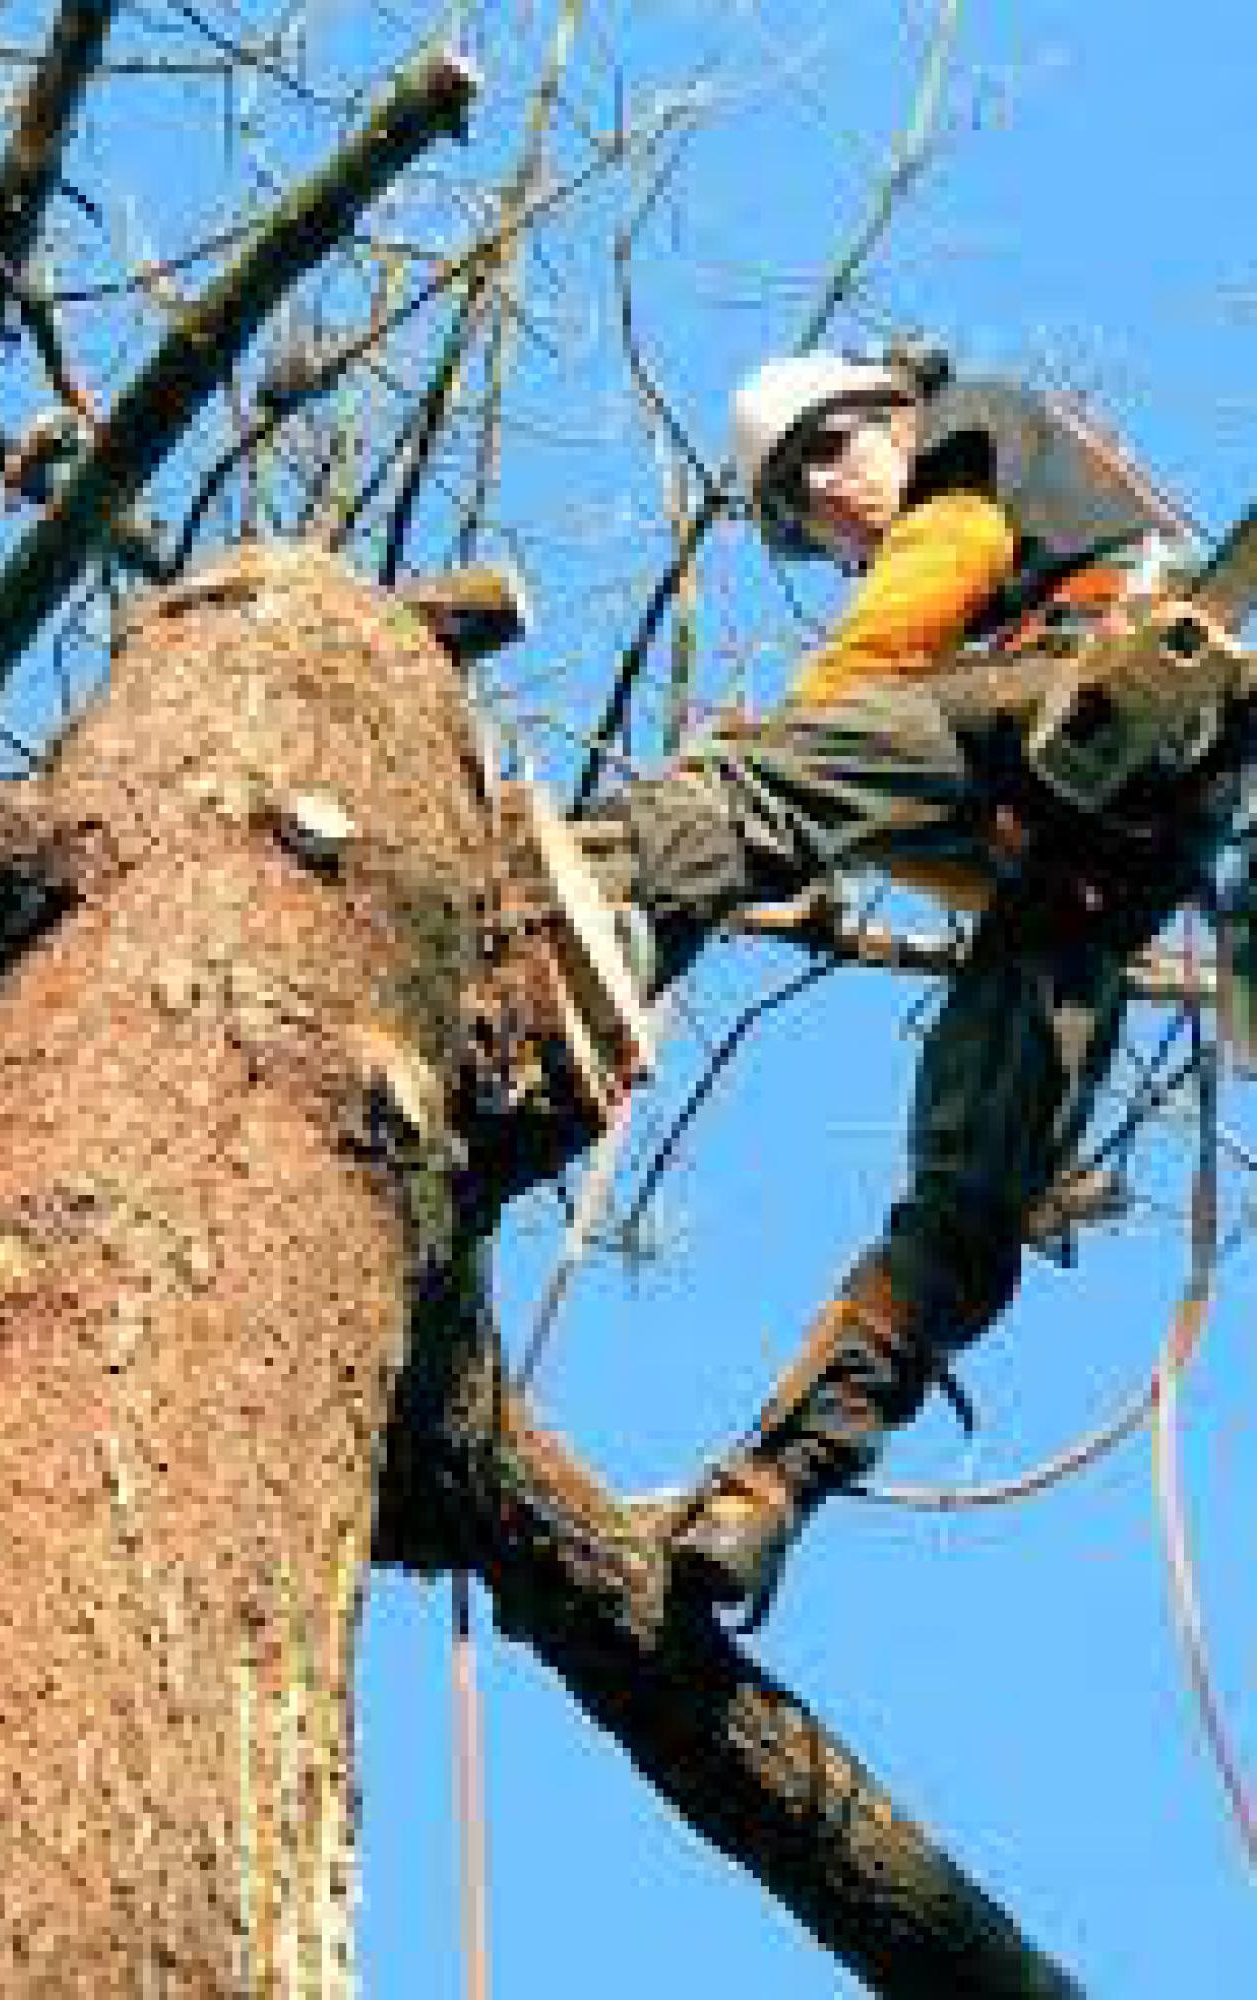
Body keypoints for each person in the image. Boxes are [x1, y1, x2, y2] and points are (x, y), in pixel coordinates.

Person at [569, 346, 1227, 1626]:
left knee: (758, 780)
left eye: (830, 454)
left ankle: (538, 897)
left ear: (891, 413)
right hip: (1103, 854)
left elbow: (932, 579)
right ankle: (774, 1486)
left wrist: (809, 726)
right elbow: (926, 832)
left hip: (1092, 680)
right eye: (800, 509)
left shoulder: (970, 440)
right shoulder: (966, 603)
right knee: (966, 1199)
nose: (831, 502)